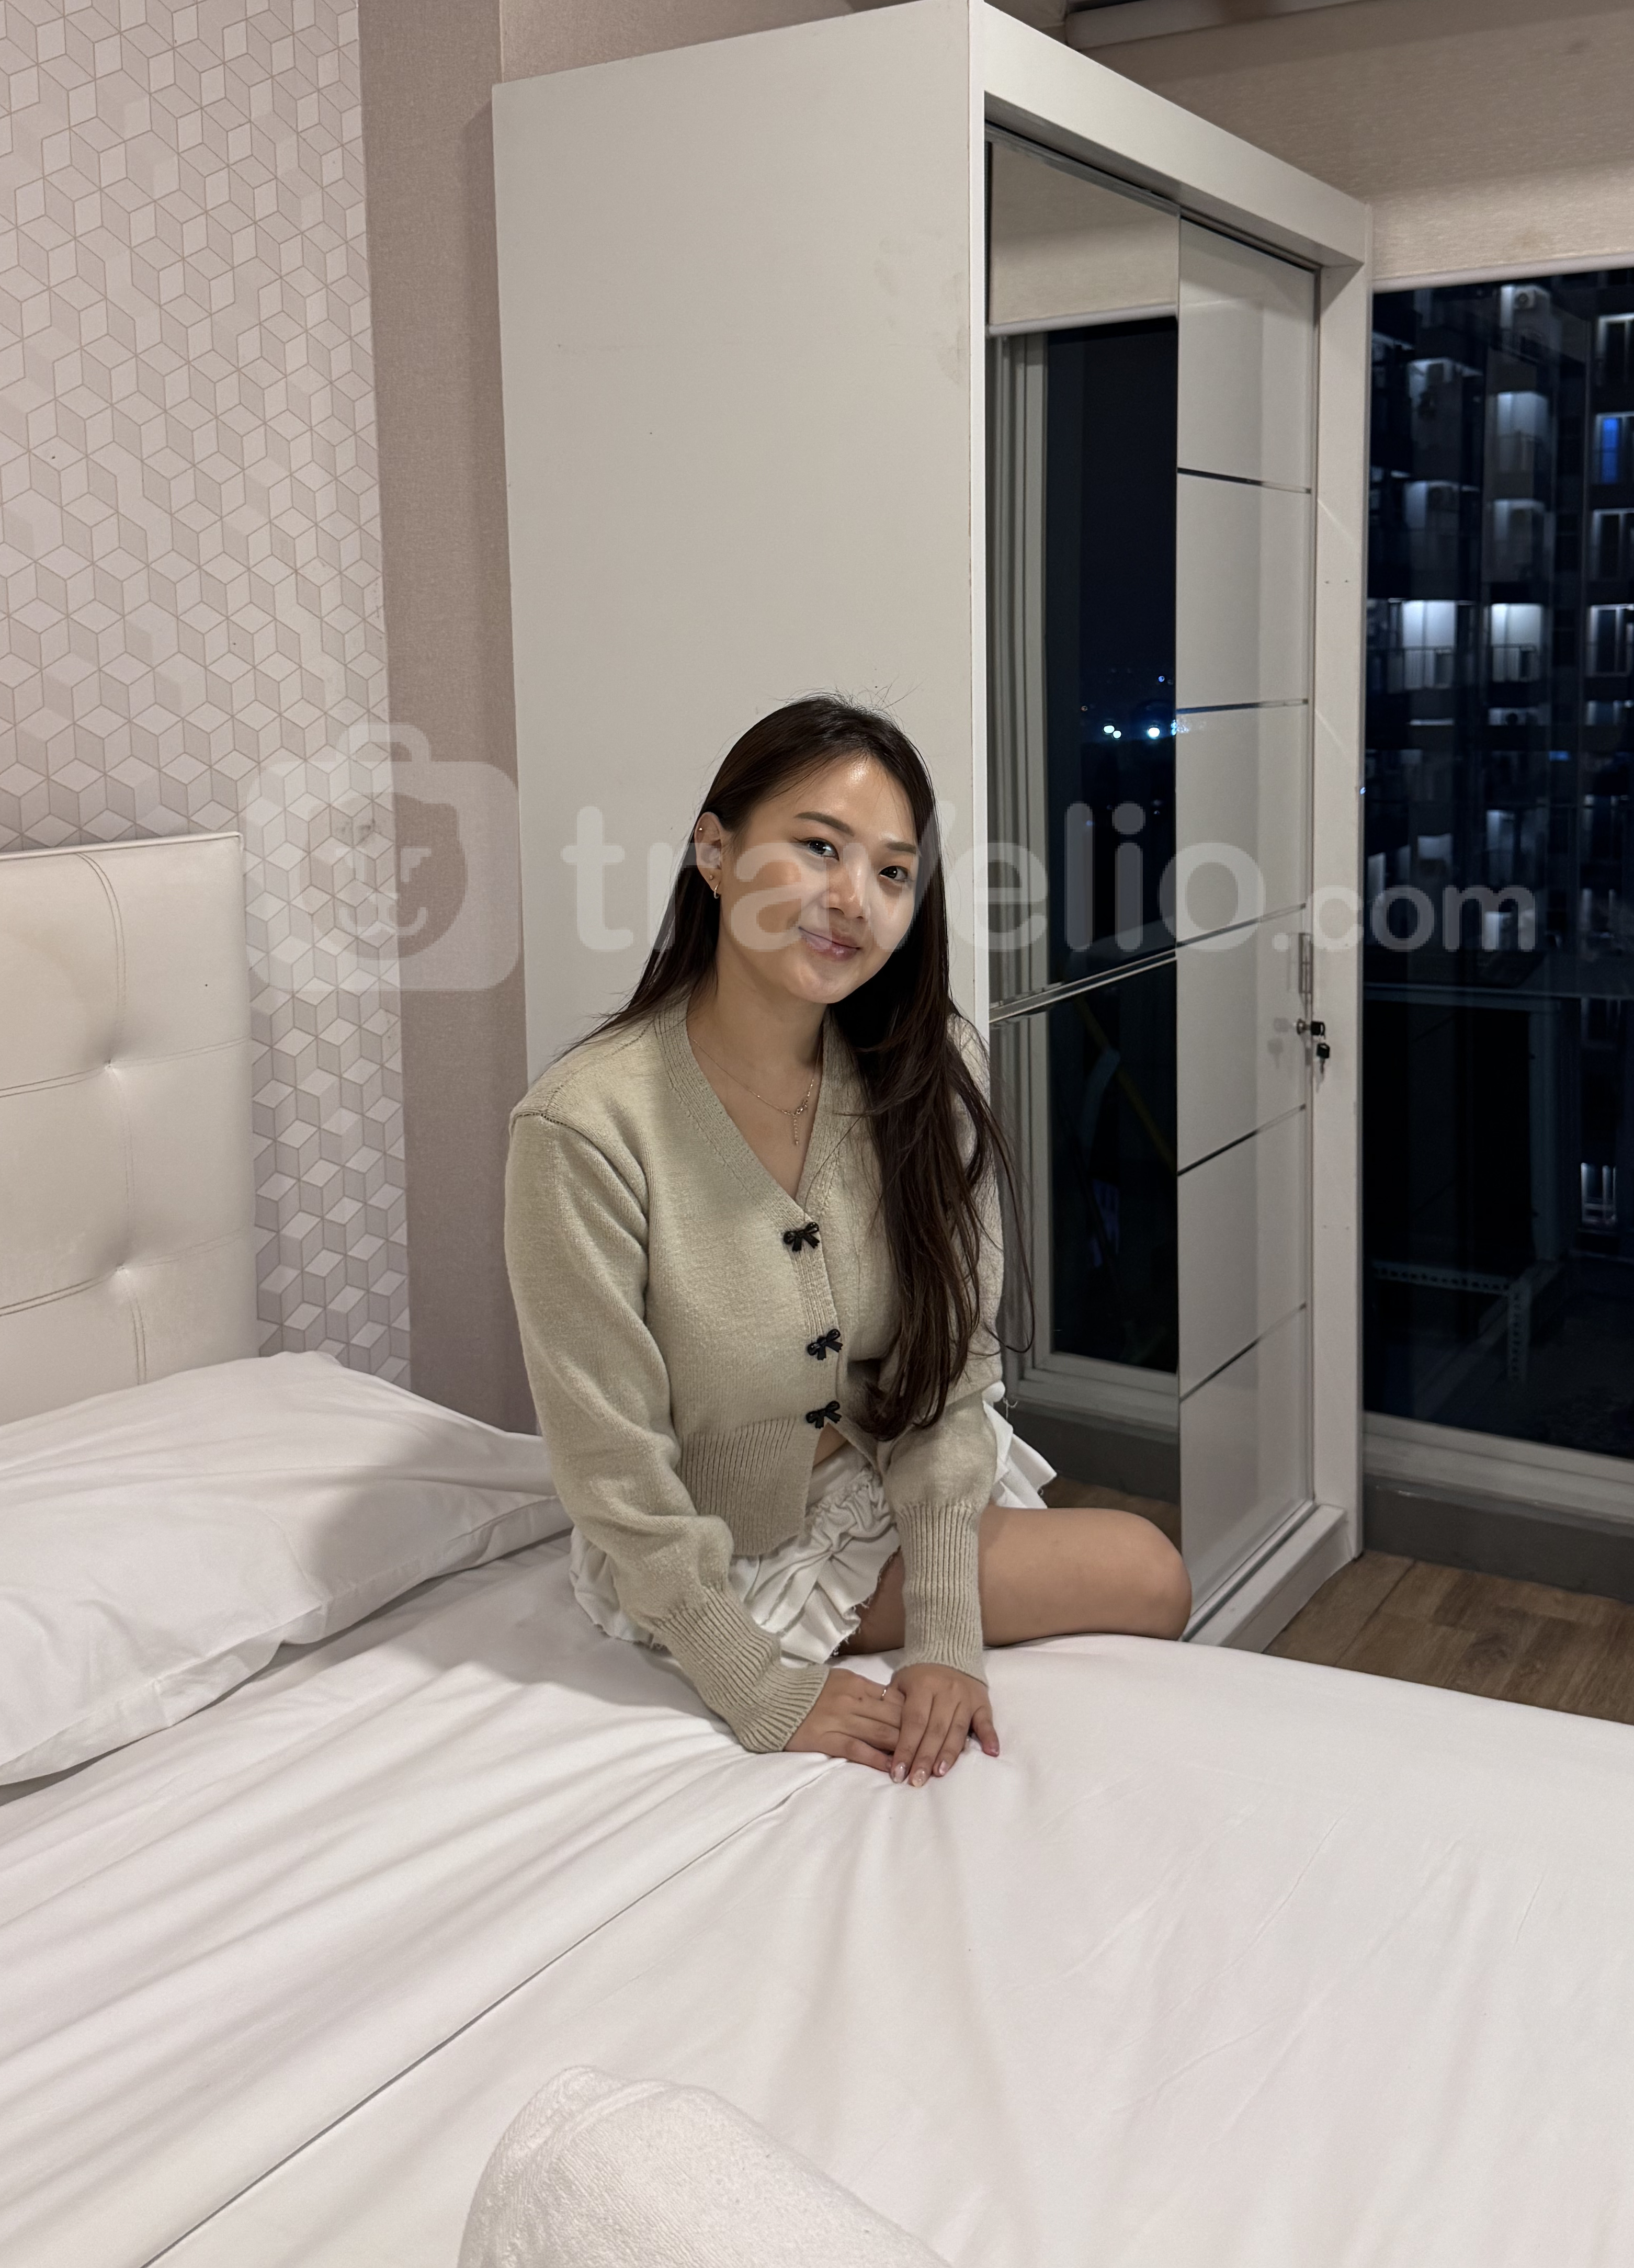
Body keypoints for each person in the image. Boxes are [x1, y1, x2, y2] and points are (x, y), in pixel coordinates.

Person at [504, 694, 1190, 1784]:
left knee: (1152, 1577)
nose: (852, 900)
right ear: (715, 854)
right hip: (723, 1553)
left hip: (890, 1480)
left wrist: (947, 1634)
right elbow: (613, 1471)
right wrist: (759, 1687)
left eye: (892, 871)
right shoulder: (584, 1128)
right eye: (819, 847)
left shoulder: (924, 1071)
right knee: (1141, 1573)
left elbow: (951, 1372)